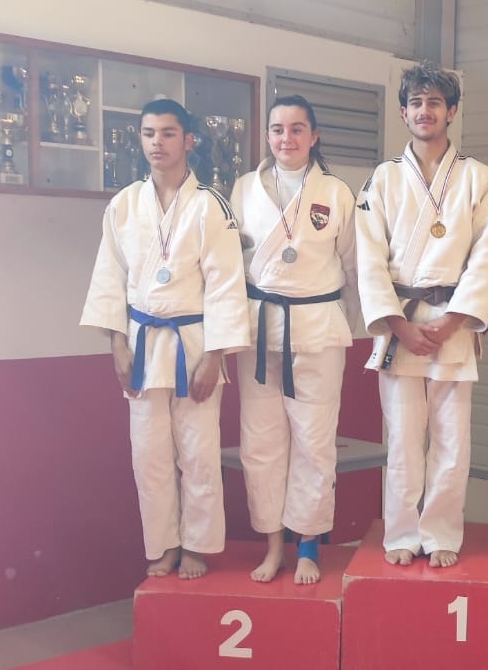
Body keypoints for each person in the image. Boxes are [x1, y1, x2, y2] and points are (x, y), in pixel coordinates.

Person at [81, 97, 249, 579]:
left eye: (168, 133)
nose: (157, 142)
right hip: (141, 343)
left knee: (198, 453)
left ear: (188, 140)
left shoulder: (210, 205)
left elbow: (225, 284)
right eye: (149, 133)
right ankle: (164, 543)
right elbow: (110, 277)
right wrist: (117, 342)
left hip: (194, 342)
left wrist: (215, 357)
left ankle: (197, 544)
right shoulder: (124, 205)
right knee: (149, 454)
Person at [356, 61, 488, 567]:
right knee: (402, 438)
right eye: (416, 102)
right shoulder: (383, 179)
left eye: (435, 102)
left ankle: (441, 533)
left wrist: (455, 319)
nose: (425, 111)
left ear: (452, 111)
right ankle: (401, 533)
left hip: (452, 324)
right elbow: (368, 257)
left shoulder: (478, 178)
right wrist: (398, 324)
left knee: (451, 440)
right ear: (403, 112)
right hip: (400, 323)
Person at [230, 95, 359, 586]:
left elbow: (353, 266)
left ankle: (307, 544)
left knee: (314, 440)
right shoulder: (244, 189)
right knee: (260, 441)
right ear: (267, 135)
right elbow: (229, 264)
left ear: (314, 136)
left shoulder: (336, 193)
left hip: (317, 329)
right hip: (259, 327)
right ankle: (272, 545)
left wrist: (346, 321)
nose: (287, 138)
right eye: (278, 129)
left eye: (297, 129)